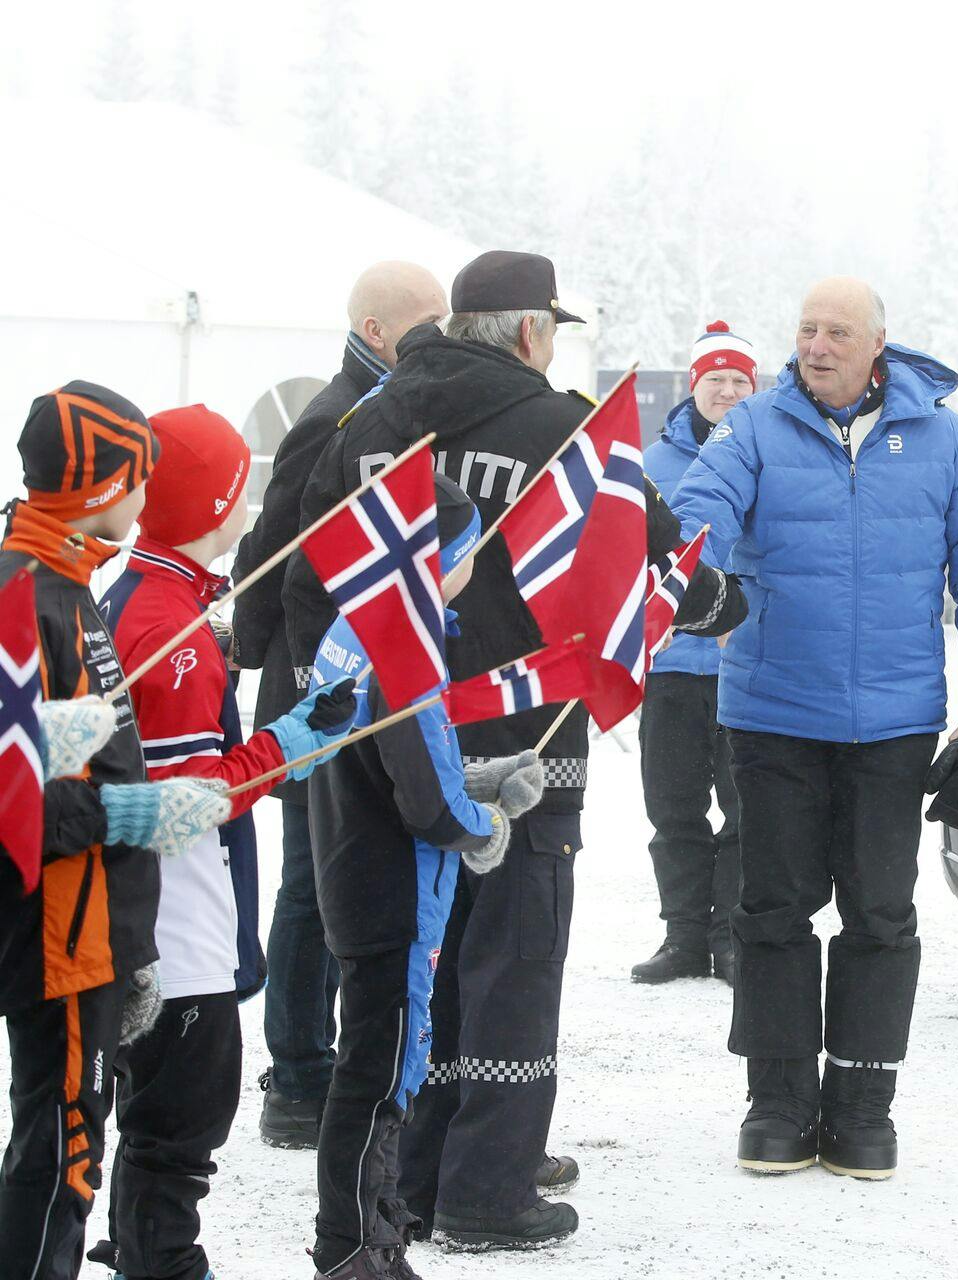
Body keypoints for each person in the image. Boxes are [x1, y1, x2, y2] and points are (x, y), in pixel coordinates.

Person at [286, 249, 740, 1250]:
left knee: (419, 961)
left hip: (389, 732)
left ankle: (415, 1170)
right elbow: (648, 550)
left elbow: (306, 557)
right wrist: (713, 600)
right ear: (532, 331)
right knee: (512, 957)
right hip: (525, 739)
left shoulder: (375, 420)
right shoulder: (559, 429)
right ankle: (489, 1188)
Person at [672, 276, 958, 1180]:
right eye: (804, 330)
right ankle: (778, 1100)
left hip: (894, 725)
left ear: (878, 343)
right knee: (772, 910)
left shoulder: (941, 440)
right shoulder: (753, 426)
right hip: (775, 714)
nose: (816, 346)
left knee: (880, 912)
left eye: (836, 331)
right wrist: (683, 567)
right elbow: (702, 514)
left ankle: (864, 1103)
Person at [93, 404, 358, 1280]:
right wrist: (291, 740)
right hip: (174, 921)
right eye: (238, 490)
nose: (249, 509)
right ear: (213, 508)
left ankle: (141, 1241)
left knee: (157, 1107)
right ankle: (162, 1257)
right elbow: (186, 798)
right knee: (185, 1109)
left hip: (156, 911)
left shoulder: (155, 595)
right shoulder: (167, 629)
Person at [0, 383, 230, 1280]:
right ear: (105, 486)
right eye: (140, 475)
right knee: (61, 1159)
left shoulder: (69, 579)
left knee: (67, 1155)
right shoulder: (30, 598)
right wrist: (129, 810)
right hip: (59, 934)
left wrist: (131, 945)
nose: (148, 496)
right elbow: (16, 797)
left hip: (96, 931)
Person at [231, 260, 449, 1150]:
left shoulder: (398, 412)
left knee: (335, 881)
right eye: (425, 322)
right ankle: (297, 1072)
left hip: (358, 683)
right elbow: (270, 551)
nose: (440, 337)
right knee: (309, 888)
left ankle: (313, 1064)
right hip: (314, 687)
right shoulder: (335, 419)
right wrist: (260, 659)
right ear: (374, 330)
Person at [304, 478, 544, 1279]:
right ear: (433, 558)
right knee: (379, 1074)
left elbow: (397, 762)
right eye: (467, 545)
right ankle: (353, 1247)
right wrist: (485, 821)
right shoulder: (399, 651)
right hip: (393, 893)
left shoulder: (361, 626)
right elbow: (423, 800)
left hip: (357, 873)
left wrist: (476, 778)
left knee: (376, 1060)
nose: (473, 559)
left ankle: (372, 1228)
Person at [631, 321, 756, 987]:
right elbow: (628, 555)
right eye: (717, 380)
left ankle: (730, 938)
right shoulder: (653, 466)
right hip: (673, 666)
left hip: (745, 667)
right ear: (694, 386)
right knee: (673, 805)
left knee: (743, 808)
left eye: (740, 381)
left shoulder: (767, 452)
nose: (729, 391)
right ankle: (683, 935)